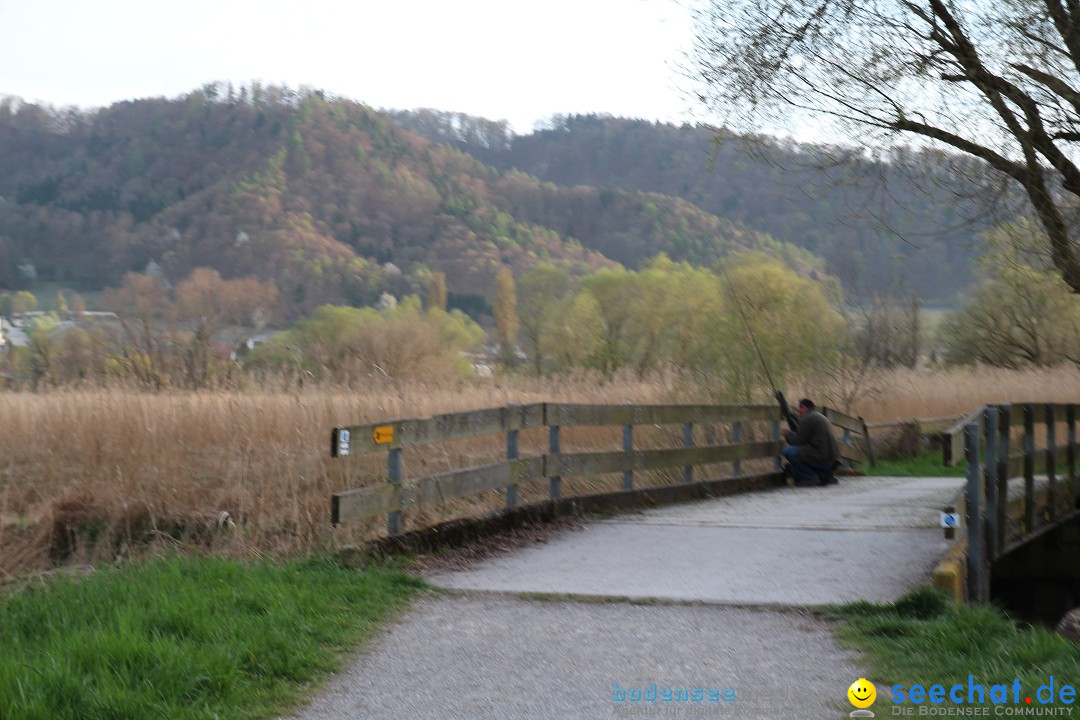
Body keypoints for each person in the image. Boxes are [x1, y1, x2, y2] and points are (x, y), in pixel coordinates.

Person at [781, 398, 840, 487]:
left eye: (798, 409)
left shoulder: (808, 419)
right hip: (831, 459)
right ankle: (823, 475)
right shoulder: (819, 416)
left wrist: (788, 435)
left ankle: (810, 477)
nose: (798, 412)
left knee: (788, 451)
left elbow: (797, 442)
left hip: (822, 459)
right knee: (801, 453)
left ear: (804, 407)